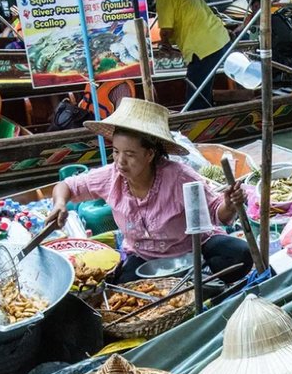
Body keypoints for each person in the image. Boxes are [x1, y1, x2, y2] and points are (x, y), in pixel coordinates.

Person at [46, 98, 253, 283]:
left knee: (240, 255)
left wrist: (230, 203)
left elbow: (216, 212)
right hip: (145, 258)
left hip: (192, 250)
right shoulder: (111, 177)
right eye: (116, 152)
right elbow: (67, 186)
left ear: (150, 154)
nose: (120, 161)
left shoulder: (179, 177)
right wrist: (60, 204)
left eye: (130, 154)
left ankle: (200, 279)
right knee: (122, 287)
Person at [155, 0, 231, 110]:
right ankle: (206, 116)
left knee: (196, 97)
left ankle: (198, 124)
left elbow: (166, 30)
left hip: (204, 46)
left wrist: (164, 42)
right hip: (219, 39)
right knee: (202, 91)